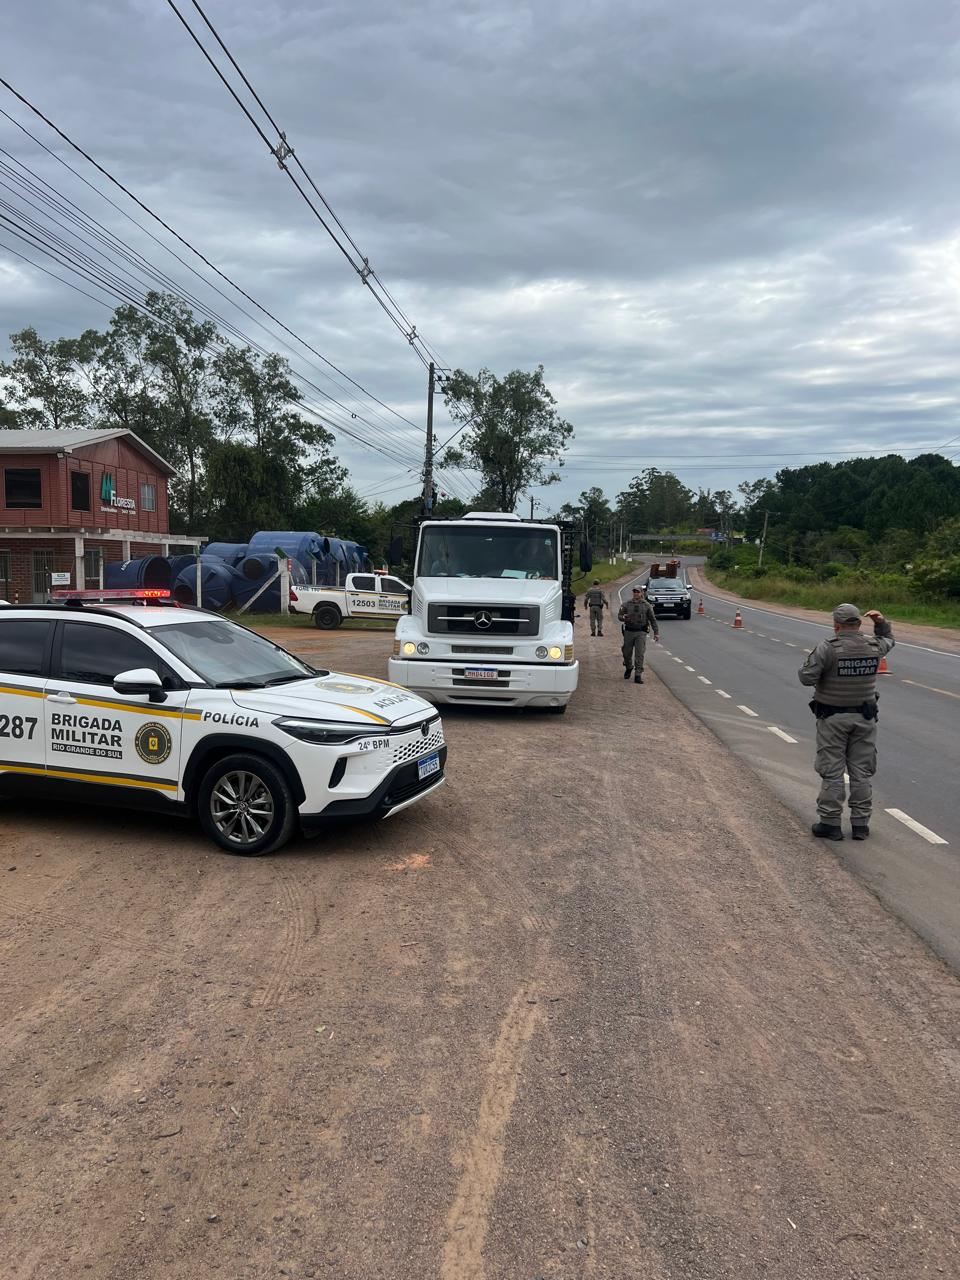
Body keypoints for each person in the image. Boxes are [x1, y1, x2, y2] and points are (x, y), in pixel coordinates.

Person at [798, 602, 895, 841]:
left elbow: (806, 678)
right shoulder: (874, 646)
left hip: (832, 718)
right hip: (865, 718)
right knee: (861, 771)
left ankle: (830, 823)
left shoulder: (827, 648)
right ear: (859, 623)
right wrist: (880, 623)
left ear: (836, 625)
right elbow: (889, 640)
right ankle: (861, 824)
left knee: (832, 771)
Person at [618, 586, 660, 683]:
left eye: (637, 592)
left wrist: (656, 633)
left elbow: (653, 619)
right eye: (634, 591)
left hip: (641, 632)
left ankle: (638, 674)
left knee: (639, 654)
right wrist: (624, 617)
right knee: (626, 652)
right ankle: (629, 667)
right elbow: (619, 616)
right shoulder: (626, 604)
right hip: (629, 632)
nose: (636, 593)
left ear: (641, 593)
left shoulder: (646, 605)